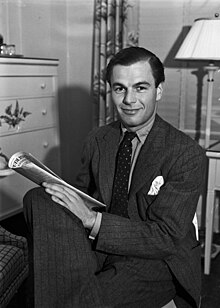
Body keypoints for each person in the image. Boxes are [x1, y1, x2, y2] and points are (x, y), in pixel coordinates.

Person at [23, 47, 206, 308]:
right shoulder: (98, 139)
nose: (129, 99)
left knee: (82, 299)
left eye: (140, 88)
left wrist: (90, 219)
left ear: (159, 91)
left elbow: (166, 237)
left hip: (155, 261)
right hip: (98, 246)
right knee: (38, 198)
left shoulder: (186, 153)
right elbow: (85, 193)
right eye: (120, 88)